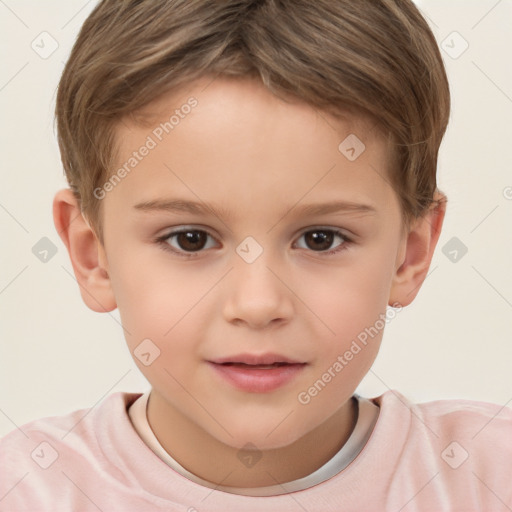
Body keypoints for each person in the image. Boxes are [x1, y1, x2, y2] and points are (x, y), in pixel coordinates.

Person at [1, 1, 511, 510]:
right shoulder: (25, 490)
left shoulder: (487, 472)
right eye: (190, 239)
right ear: (94, 256)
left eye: (321, 239)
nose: (258, 303)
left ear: (410, 255)